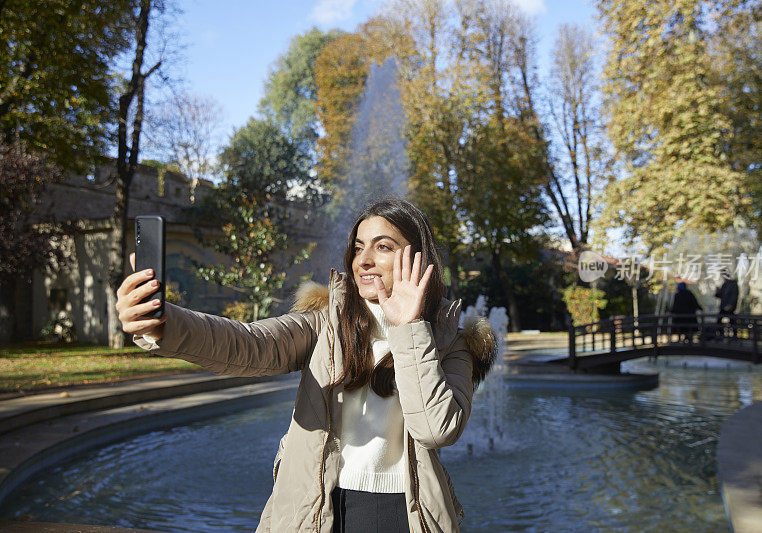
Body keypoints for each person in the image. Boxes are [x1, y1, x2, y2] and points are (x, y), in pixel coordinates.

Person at [115, 198, 497, 532]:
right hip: (316, 510)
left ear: (418, 258)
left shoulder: (452, 342)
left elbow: (436, 430)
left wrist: (409, 327)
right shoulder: (325, 322)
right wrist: (164, 323)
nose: (363, 259)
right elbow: (247, 345)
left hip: (406, 516)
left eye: (383, 246)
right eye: (358, 246)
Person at [714, 268, 740, 339]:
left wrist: (731, 304)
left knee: (732, 321)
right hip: (723, 306)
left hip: (730, 307)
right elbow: (721, 295)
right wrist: (717, 292)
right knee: (719, 320)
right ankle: (720, 335)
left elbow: (734, 296)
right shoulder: (725, 284)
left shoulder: (733, 284)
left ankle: (734, 336)